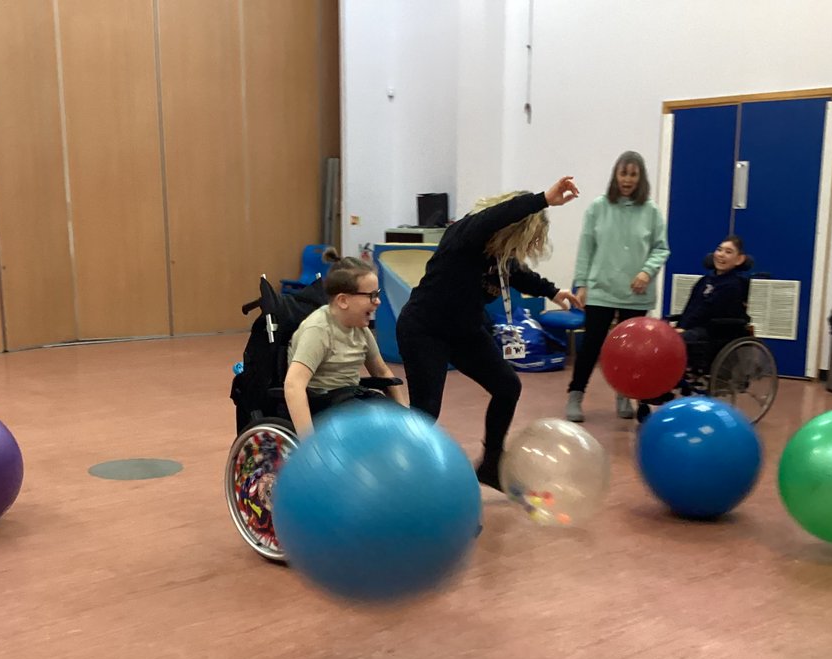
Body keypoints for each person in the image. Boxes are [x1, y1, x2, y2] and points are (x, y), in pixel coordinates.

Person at [395, 177, 582, 490]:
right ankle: (402, 474)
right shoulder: (466, 233)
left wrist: (553, 291)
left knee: (508, 386)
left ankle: (491, 464)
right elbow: (495, 216)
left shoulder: (499, 256)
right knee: (426, 410)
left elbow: (519, 275)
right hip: (425, 330)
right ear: (512, 227)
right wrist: (543, 199)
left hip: (465, 331)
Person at [566, 151, 670, 423]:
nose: (627, 180)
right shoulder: (597, 208)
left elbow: (661, 249)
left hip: (636, 294)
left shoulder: (651, 211)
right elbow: (586, 248)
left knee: (631, 352)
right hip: (601, 290)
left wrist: (647, 273)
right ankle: (576, 394)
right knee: (591, 345)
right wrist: (582, 284)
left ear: (640, 178)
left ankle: (624, 393)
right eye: (623, 173)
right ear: (615, 175)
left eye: (633, 174)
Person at [283, 250, 407, 436]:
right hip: (323, 403)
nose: (378, 301)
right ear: (343, 300)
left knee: (392, 418)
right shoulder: (319, 330)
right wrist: (309, 443)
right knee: (376, 424)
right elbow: (294, 385)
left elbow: (382, 372)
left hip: (350, 398)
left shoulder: (360, 329)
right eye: (371, 295)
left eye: (378, 294)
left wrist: (405, 415)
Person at [675, 234, 750, 347]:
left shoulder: (734, 285)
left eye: (728, 252)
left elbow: (707, 311)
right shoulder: (704, 281)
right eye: (719, 250)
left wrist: (684, 329)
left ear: (739, 259)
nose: (721, 255)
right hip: (694, 328)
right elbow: (690, 307)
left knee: (673, 340)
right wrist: (680, 326)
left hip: (714, 332)